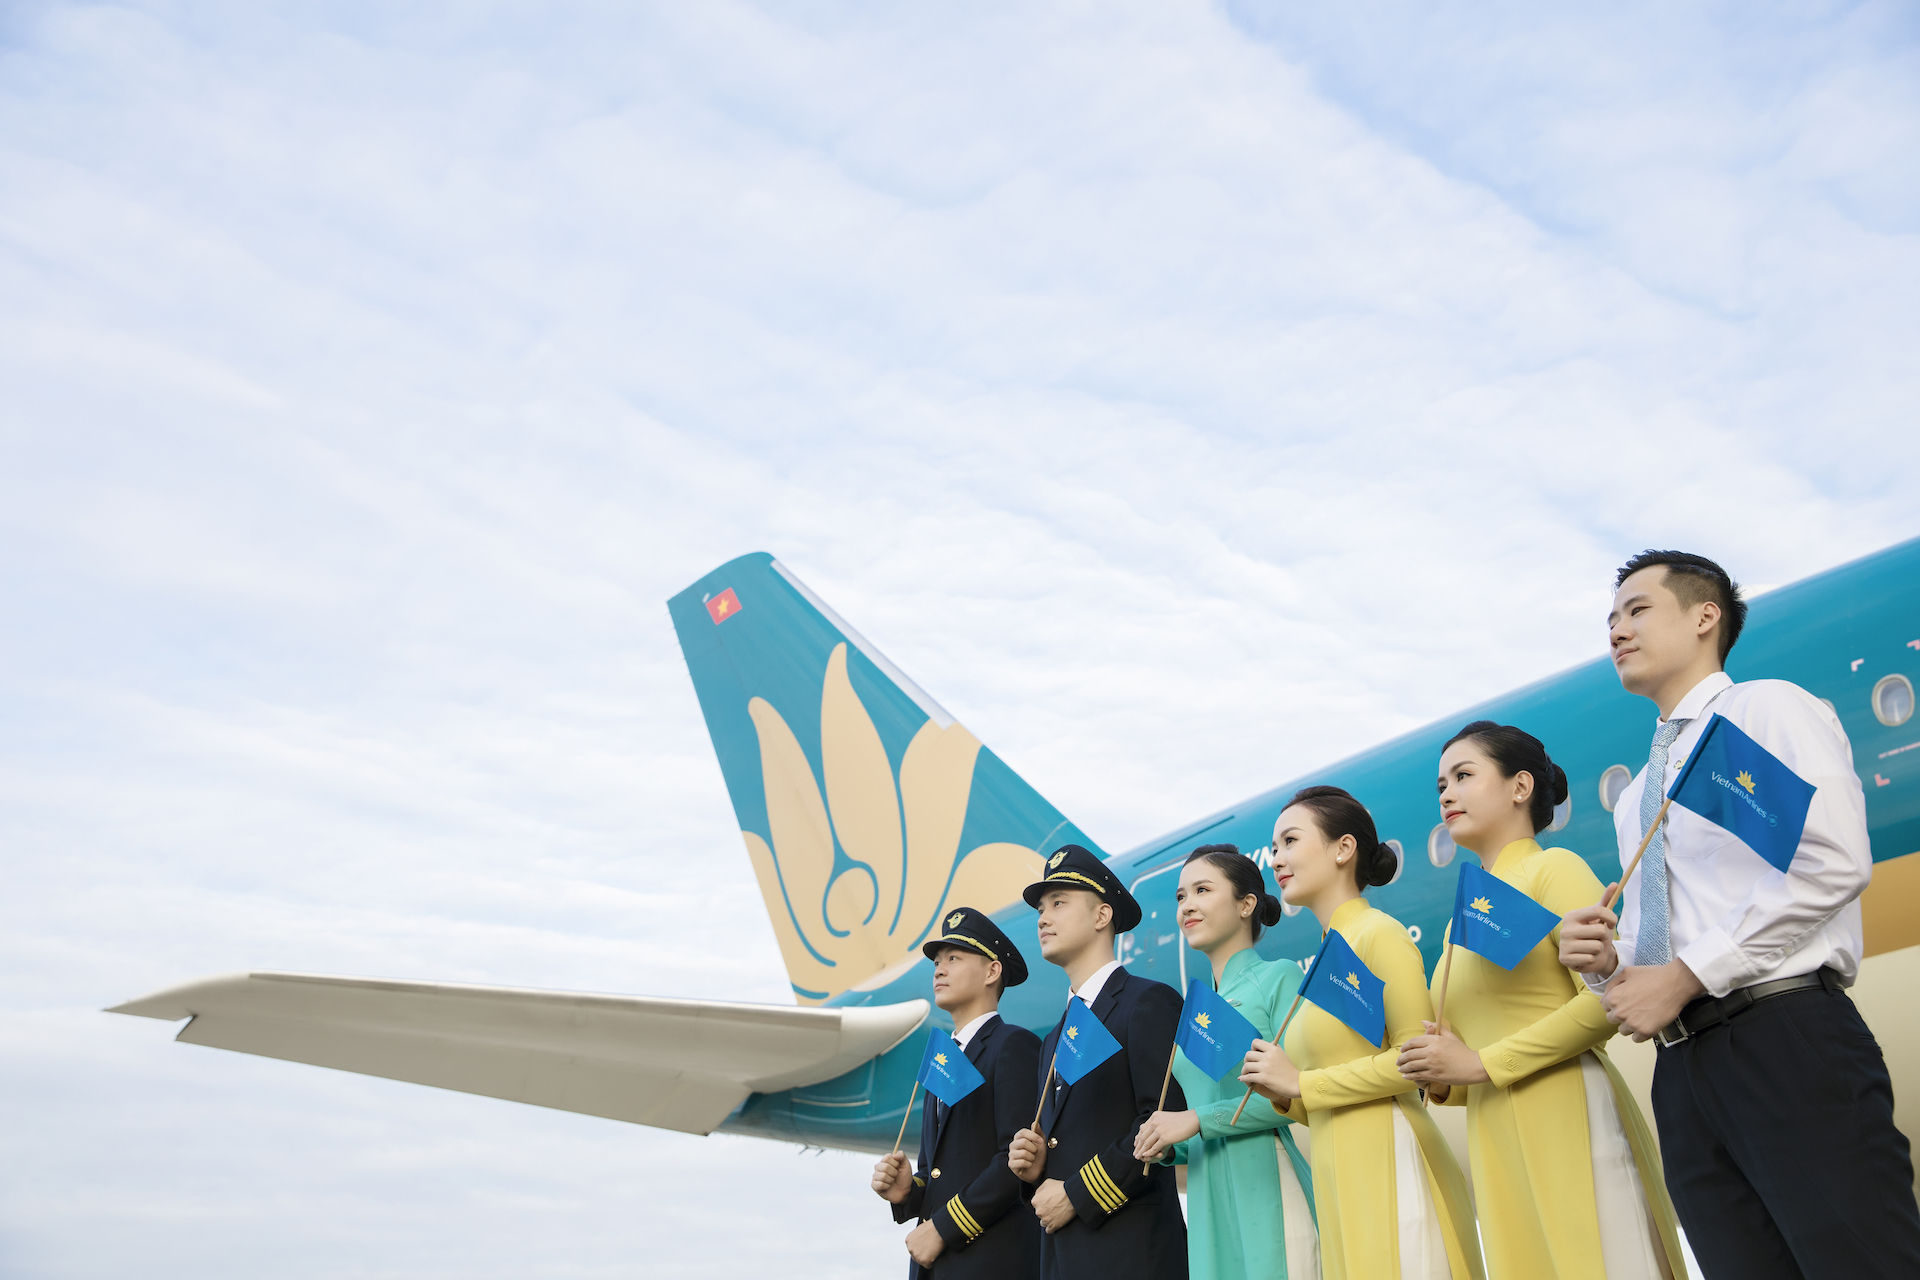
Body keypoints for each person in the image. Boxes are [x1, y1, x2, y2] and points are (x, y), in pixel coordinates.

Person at [1557, 550, 1920, 1279]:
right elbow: (1658, 951)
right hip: (1682, 1072)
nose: (1617, 630)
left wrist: (1687, 974)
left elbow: (1832, 861)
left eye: (1637, 609)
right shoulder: (1637, 796)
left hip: (1783, 1038)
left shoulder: (1761, 711)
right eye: (1610, 619)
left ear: (1705, 616)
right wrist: (1607, 964)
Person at [1395, 722, 1687, 1280]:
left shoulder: (1554, 868)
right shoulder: (1463, 916)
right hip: (1492, 1131)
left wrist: (1481, 1063)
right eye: (1441, 786)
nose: (1447, 794)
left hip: (1566, 1110)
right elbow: (1468, 1058)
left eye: (1463, 776)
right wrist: (1443, 1075)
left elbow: (1606, 1001)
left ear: (1520, 786)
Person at [1238, 786, 1481, 1280]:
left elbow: (1418, 1061)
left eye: (1290, 841)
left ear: (1343, 848)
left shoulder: (1378, 933)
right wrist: (1283, 1093)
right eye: (1275, 847)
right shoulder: (1326, 956)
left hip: (1391, 1160)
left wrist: (1301, 1083)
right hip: (1338, 1175)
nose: (1276, 859)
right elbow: (1320, 1093)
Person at [1133, 843, 1320, 1280]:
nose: (1186, 906)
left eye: (1202, 890)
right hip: (1207, 1197)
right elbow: (1199, 1115)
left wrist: (1196, 1120)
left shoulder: (1279, 977)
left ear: (1246, 904)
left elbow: (1299, 1093)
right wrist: (1168, 1144)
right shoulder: (1197, 1009)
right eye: (1181, 896)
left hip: (1266, 1182)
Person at [1006, 844, 1188, 1279]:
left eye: (1058, 903)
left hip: (1133, 1256)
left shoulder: (1146, 1002)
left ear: (1102, 915)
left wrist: (1075, 1194)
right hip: (1064, 1259)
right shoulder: (1053, 1038)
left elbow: (1163, 1123)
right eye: (1040, 910)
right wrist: (1035, 1169)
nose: (1043, 918)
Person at [871, 906, 1043, 1279]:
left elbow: (1016, 1162)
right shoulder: (944, 1057)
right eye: (937, 962)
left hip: (992, 1263)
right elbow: (938, 1172)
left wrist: (942, 1229)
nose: (939, 969)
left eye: (954, 958)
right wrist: (909, 1191)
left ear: (992, 972)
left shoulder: (1013, 1045)